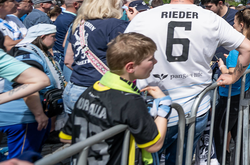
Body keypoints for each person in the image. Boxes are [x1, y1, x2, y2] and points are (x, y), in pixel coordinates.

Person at [126, 0, 250, 165]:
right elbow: (248, 48)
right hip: (194, 106)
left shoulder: (144, 18)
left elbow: (121, 56)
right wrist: (234, 77)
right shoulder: (210, 18)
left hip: (153, 105)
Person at [60, 33, 169, 165]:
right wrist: (164, 107)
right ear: (130, 67)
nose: (155, 62)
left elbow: (66, 137)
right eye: (151, 59)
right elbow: (154, 145)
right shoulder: (131, 101)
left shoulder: (90, 90)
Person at [213, 8, 250, 164]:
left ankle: (222, 160)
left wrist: (222, 66)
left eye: (233, 22)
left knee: (219, 133)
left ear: (241, 24)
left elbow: (232, 73)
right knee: (238, 133)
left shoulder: (236, 50)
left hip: (230, 96)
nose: (232, 25)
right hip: (244, 94)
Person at [63, 0, 129, 115]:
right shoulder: (117, 26)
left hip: (73, 89)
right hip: (99, 92)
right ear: (115, 1)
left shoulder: (79, 23)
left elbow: (68, 60)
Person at [0, 24, 63, 158]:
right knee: (23, 159)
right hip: (22, 116)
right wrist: (39, 114)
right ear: (42, 37)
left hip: (17, 114)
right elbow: (27, 84)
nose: (56, 40)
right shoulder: (27, 53)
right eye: (53, 36)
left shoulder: (32, 51)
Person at [53, 0, 84, 69]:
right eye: (85, 2)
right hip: (66, 58)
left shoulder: (63, 16)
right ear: (76, 4)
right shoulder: (71, 20)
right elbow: (66, 43)